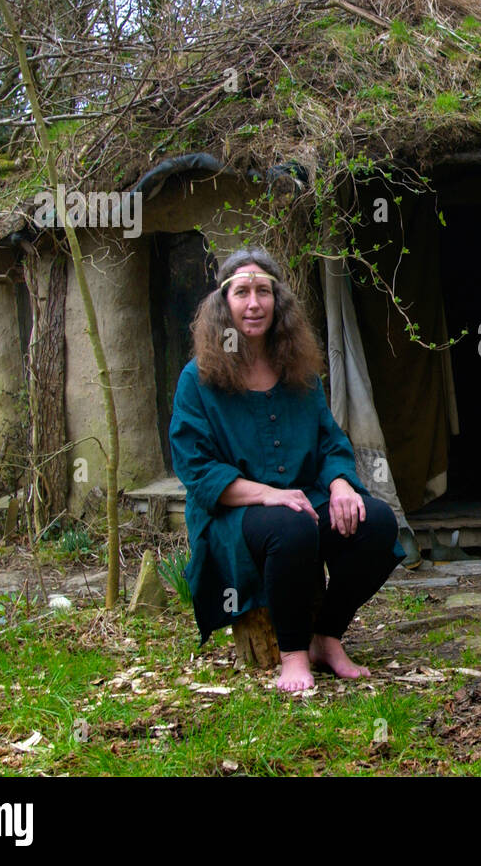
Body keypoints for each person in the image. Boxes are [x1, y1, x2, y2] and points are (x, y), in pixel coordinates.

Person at [170, 246, 404, 692]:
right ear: (224, 304)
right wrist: (268, 494)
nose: (254, 302)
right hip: (234, 511)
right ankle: (292, 655)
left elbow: (329, 442)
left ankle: (327, 637)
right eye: (242, 292)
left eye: (263, 291)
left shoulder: (300, 372)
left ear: (279, 303)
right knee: (290, 525)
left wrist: (339, 485)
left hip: (302, 497)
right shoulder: (197, 379)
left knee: (376, 524)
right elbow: (196, 469)